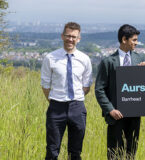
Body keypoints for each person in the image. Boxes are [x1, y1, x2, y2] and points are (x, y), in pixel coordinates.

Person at [41, 22, 93, 160]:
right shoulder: (50, 58)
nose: (71, 39)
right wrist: (53, 100)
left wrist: (76, 97)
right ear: (62, 36)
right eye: (68, 36)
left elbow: (86, 85)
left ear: (79, 39)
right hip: (56, 106)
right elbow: (45, 85)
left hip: (77, 107)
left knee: (75, 152)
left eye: (74, 37)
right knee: (52, 150)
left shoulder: (85, 59)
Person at [95, 24, 145, 159]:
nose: (137, 43)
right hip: (116, 116)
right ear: (124, 39)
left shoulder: (139, 59)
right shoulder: (108, 62)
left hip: (134, 116)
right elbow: (99, 89)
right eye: (134, 40)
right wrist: (110, 110)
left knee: (131, 154)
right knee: (114, 154)